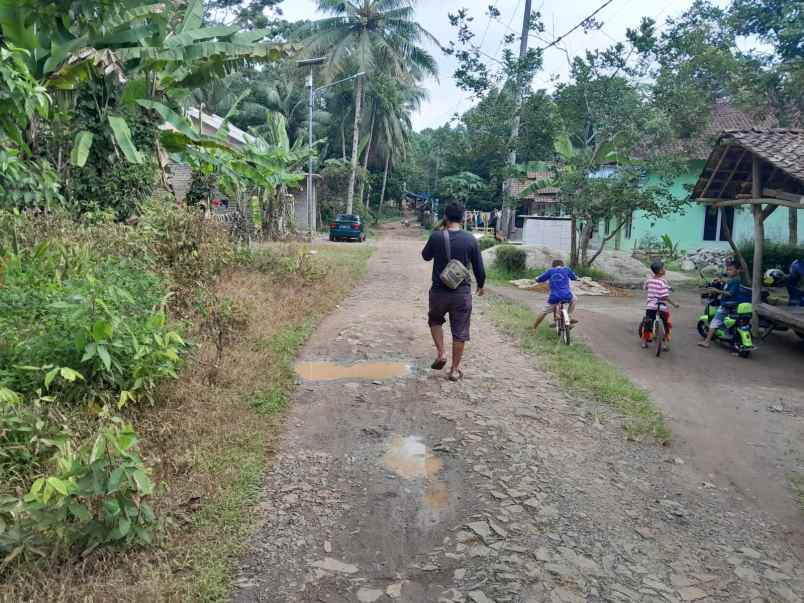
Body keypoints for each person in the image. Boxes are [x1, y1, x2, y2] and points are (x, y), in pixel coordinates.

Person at [422, 201, 486, 382]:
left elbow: (425, 256)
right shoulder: (471, 239)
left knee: (435, 320)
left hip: (439, 291)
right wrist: (481, 285)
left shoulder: (436, 236)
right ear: (464, 217)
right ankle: (454, 370)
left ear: (445, 216)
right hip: (461, 293)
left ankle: (441, 353)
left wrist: (438, 231)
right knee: (460, 331)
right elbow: (478, 267)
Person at [699, 262, 749, 348]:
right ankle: (727, 333)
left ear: (737, 270)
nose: (728, 271)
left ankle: (706, 342)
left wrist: (717, 291)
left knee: (715, 321)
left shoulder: (735, 281)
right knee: (731, 321)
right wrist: (721, 280)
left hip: (727, 305)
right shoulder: (734, 279)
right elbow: (728, 282)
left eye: (730, 270)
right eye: (727, 270)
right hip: (733, 305)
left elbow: (730, 293)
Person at [641, 260, 680, 350]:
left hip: (650, 306)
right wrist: (674, 304)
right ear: (661, 271)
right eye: (664, 268)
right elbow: (665, 297)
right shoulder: (663, 283)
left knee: (648, 323)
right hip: (661, 306)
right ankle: (665, 344)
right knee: (667, 324)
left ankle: (644, 342)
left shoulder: (649, 280)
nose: (665, 269)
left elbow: (645, 287)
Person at [531, 259, 578, 330]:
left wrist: (536, 278)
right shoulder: (566, 269)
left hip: (554, 296)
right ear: (562, 265)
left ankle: (534, 327)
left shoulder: (550, 271)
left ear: (553, 265)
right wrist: (575, 277)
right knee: (574, 299)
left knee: (544, 312)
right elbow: (574, 277)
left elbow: (539, 279)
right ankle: (569, 316)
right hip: (567, 295)